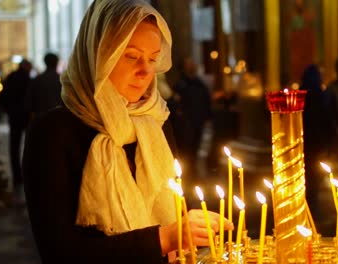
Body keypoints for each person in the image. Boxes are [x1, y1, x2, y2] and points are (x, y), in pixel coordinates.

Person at [22, 1, 232, 263]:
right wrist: (164, 238)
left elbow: (175, 207)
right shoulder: (52, 133)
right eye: (131, 56)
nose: (145, 71)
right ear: (98, 56)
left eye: (153, 58)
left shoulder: (155, 121)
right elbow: (60, 252)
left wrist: (191, 231)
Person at [300, 64, 335, 213]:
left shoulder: (302, 94)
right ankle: (312, 207)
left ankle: (308, 206)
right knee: (314, 176)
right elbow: (328, 118)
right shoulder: (320, 95)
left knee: (307, 176)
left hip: (305, 141)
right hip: (317, 141)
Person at [172, 57, 212, 175]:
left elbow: (206, 100)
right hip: (185, 123)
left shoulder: (199, 83)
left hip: (198, 121)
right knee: (185, 149)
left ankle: (193, 172)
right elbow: (176, 104)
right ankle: (185, 173)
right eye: (189, 64)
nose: (193, 65)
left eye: (193, 63)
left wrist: (207, 117)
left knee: (195, 148)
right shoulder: (180, 85)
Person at [0, 58, 32, 190]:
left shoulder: (11, 77)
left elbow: (2, 98)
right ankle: (28, 174)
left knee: (14, 146)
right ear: (25, 66)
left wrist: (9, 110)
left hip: (14, 116)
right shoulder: (27, 79)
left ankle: (17, 176)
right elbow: (30, 98)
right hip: (26, 116)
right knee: (29, 146)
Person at [24, 52, 63, 117]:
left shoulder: (38, 80)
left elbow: (29, 101)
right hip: (59, 117)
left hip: (41, 117)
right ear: (57, 63)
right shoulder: (62, 80)